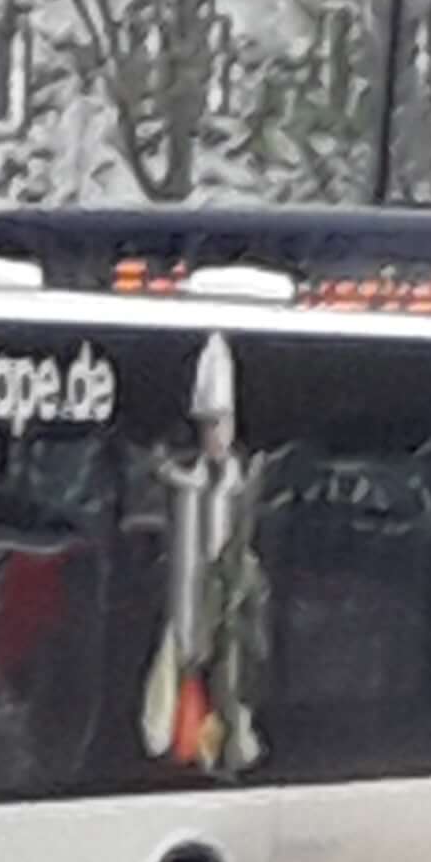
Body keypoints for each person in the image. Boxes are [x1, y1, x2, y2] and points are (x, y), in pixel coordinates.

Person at [141, 331, 265, 777]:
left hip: (226, 611)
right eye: (208, 425)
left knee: (225, 687)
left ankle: (223, 753)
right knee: (172, 683)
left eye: (222, 424)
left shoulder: (244, 482)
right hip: (183, 602)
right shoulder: (178, 479)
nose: (215, 435)